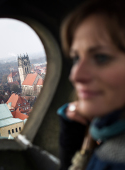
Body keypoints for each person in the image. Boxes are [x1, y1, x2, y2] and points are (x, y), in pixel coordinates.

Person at [57, 0, 125, 169]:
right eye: (76, 58)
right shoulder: (106, 133)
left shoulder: (115, 159)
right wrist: (73, 131)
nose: (75, 76)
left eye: (101, 57)